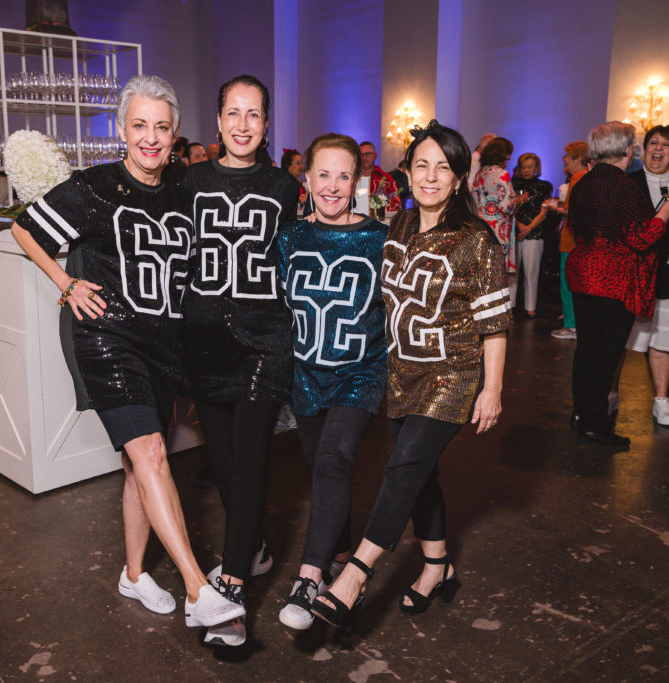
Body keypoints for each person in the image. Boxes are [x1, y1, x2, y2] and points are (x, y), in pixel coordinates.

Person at [10, 74, 245, 631]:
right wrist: (65, 283)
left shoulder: (184, 189)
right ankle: (197, 589)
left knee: (139, 463)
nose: (150, 138)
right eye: (139, 125)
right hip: (106, 337)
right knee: (151, 453)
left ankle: (135, 574)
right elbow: (26, 231)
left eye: (161, 127)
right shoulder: (93, 187)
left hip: (163, 345)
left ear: (176, 134)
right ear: (121, 129)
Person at [310, 121, 509, 629]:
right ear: (407, 171)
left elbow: (495, 322)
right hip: (401, 375)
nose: (431, 175)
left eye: (444, 167)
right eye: (422, 164)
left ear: (460, 178)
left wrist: (493, 388)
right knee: (421, 476)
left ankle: (356, 574)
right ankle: (438, 567)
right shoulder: (396, 226)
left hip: (454, 377)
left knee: (402, 468)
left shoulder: (475, 239)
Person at [183, 74, 300, 647]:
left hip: (264, 341)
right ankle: (250, 548)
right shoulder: (191, 181)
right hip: (205, 344)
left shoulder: (283, 187)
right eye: (234, 112)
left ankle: (230, 592)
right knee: (226, 464)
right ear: (219, 118)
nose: (243, 124)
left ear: (267, 123)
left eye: (254, 114)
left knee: (249, 462)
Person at [275, 133, 387, 631]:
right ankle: (339, 557)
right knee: (323, 474)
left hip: (360, 373)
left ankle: (308, 577)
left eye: (345, 175)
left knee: (334, 458)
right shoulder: (290, 237)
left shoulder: (381, 239)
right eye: (324, 174)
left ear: (357, 181)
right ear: (307, 179)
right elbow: (274, 309)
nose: (334, 186)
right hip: (305, 376)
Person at [565, 121, 669, 449]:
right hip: (612, 279)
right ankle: (594, 425)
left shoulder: (583, 183)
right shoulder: (623, 186)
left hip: (583, 272)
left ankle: (582, 414)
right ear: (627, 149)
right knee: (604, 355)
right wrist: (665, 214)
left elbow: (574, 225)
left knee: (587, 351)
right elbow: (640, 239)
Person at [612, 125, 669, 427]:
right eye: (653, 143)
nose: (657, 149)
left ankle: (661, 400)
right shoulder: (627, 182)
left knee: (663, 342)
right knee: (621, 340)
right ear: (643, 148)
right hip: (631, 277)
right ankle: (611, 394)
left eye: (666, 145)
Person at [548, 141, 591, 341]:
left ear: (578, 159)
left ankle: (570, 326)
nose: (564, 159)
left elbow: (571, 211)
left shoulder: (577, 178)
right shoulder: (588, 177)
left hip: (570, 240)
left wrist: (555, 208)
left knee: (567, 285)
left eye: (568, 156)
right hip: (580, 241)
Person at [472, 137, 523, 305]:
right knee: (497, 275)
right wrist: (518, 201)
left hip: (479, 227)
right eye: (508, 156)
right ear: (502, 155)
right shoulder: (502, 174)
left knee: (482, 273)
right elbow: (505, 206)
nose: (509, 160)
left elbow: (474, 200)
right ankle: (496, 314)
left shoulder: (481, 173)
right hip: (498, 230)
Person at [511, 153, 553, 318]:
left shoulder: (544, 186)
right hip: (514, 231)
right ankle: (511, 305)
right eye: (524, 167)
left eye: (530, 166)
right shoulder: (512, 184)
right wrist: (519, 225)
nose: (527, 170)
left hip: (535, 232)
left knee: (531, 272)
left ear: (536, 168)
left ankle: (530, 307)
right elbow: (507, 207)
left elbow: (544, 212)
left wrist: (528, 228)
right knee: (512, 274)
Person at [356, 141, 401, 213]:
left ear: (375, 156)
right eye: (361, 155)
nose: (364, 157)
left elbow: (396, 203)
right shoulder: (351, 178)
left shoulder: (386, 179)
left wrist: (378, 209)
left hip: (380, 220)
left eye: (368, 154)